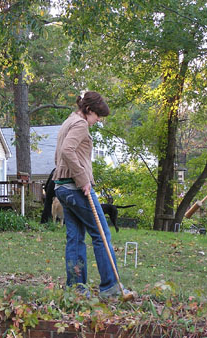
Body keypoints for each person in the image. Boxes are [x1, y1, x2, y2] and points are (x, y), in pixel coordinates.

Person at [53, 91, 132, 299]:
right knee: (101, 234)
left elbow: (61, 153)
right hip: (75, 188)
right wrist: (82, 179)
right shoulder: (80, 125)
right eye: (97, 115)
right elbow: (67, 151)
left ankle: (76, 289)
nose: (98, 120)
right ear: (88, 110)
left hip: (62, 187)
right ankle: (110, 287)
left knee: (76, 238)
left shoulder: (68, 121)